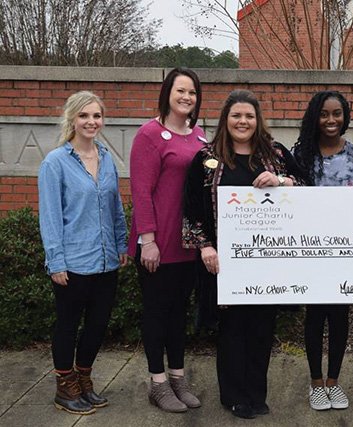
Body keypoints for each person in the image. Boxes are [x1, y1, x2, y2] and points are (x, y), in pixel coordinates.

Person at [182, 89, 304, 420]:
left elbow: (306, 185)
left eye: (249, 116)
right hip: (225, 263)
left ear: (257, 120)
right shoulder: (206, 158)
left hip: (268, 263)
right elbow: (191, 208)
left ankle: (256, 393)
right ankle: (233, 395)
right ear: (226, 119)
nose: (243, 121)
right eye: (236, 115)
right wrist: (205, 245)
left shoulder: (276, 154)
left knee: (262, 327)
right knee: (232, 329)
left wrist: (282, 181)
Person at [38, 91, 128, 415]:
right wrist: (56, 261)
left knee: (98, 324)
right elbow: (49, 218)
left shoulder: (106, 159)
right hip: (73, 262)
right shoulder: (55, 163)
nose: (91, 122)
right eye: (85, 116)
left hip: (105, 261)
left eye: (96, 116)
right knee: (68, 323)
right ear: (72, 119)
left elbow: (116, 208)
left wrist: (121, 243)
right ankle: (65, 386)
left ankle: (84, 379)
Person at [128, 67, 205, 413]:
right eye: (180, 91)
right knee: (157, 314)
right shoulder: (149, 134)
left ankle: (177, 377)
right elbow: (141, 191)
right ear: (167, 93)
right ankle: (157, 383)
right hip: (157, 245)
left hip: (188, 245)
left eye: (192, 92)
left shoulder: (199, 136)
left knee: (178, 315)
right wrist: (148, 240)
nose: (186, 97)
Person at [292, 90, 353, 411]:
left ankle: (334, 382)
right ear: (315, 117)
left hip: (345, 251)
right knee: (314, 315)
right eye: (324, 114)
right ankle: (315, 383)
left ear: (345, 116)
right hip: (310, 250)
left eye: (337, 113)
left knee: (339, 316)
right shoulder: (300, 155)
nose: (331, 120)